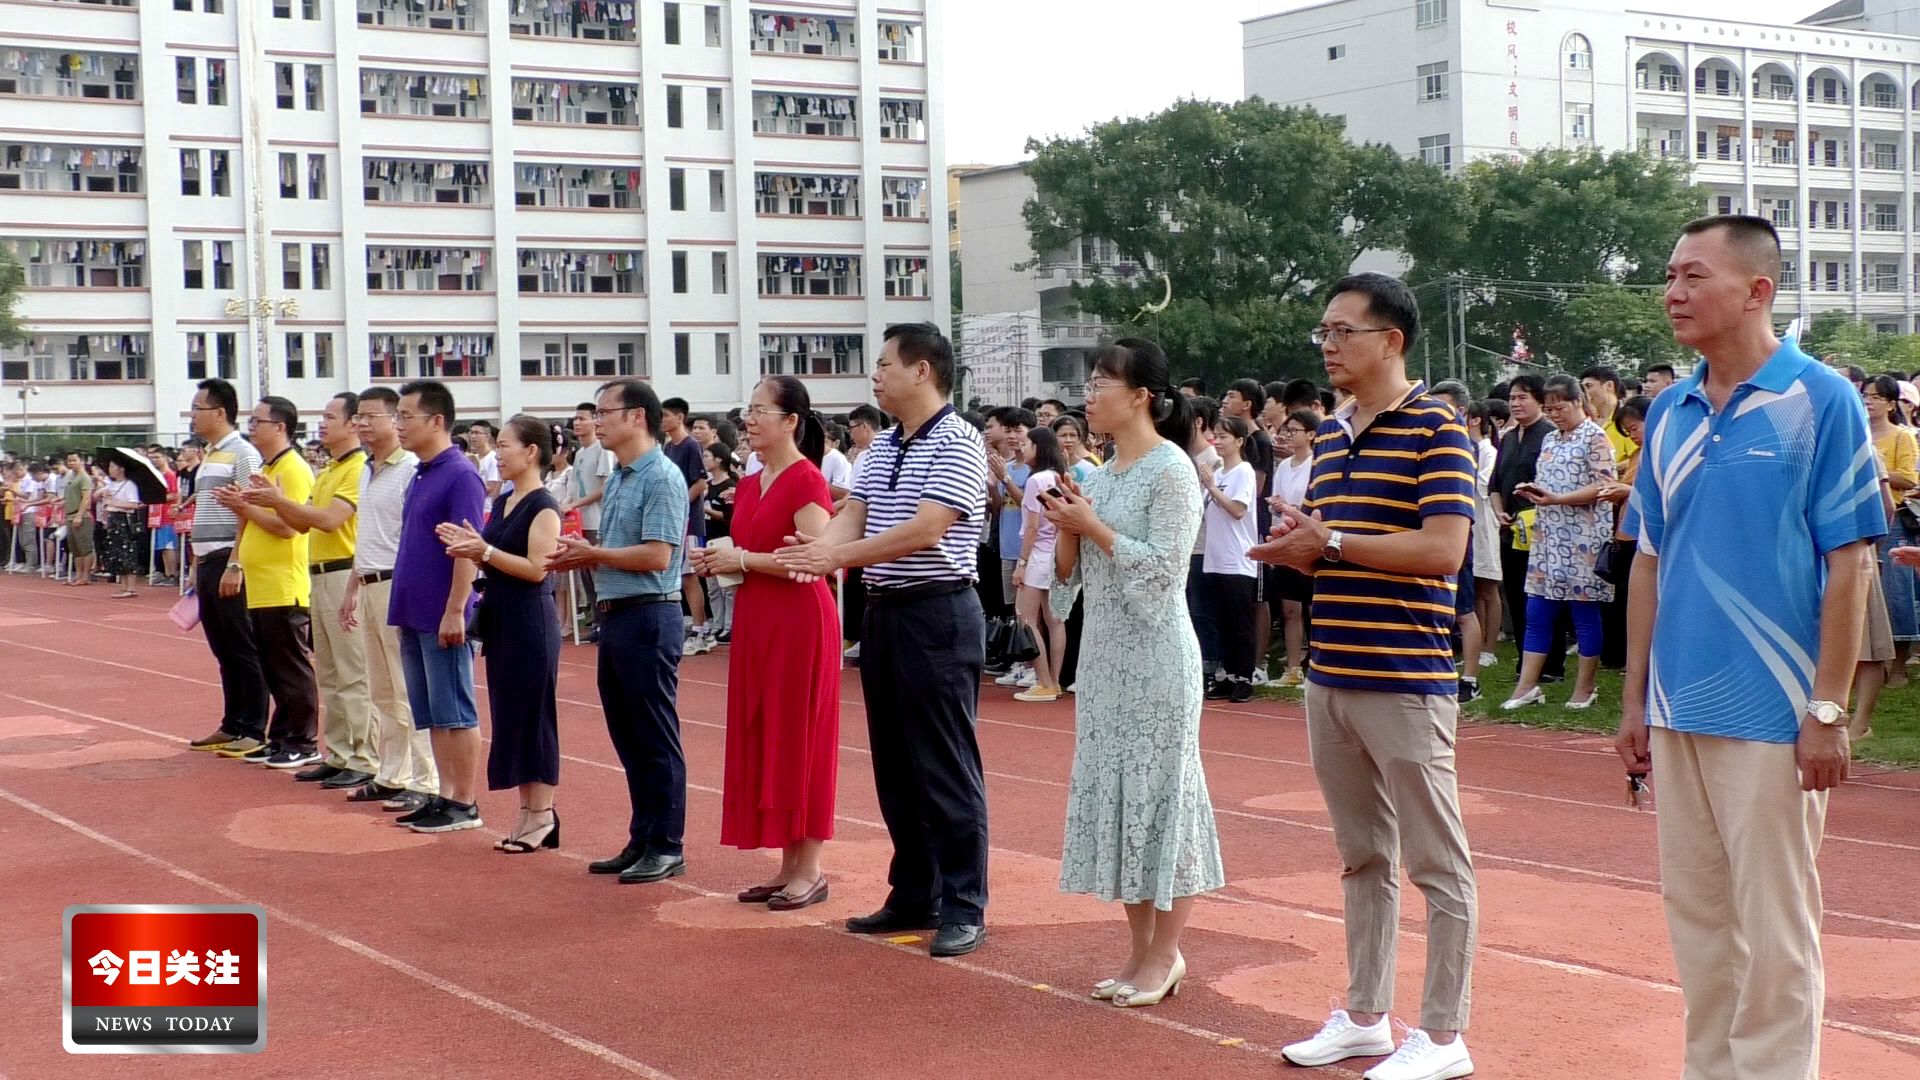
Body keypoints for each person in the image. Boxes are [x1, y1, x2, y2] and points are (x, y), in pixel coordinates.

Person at [1618, 214, 1878, 1080]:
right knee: (1699, 922)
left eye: (1694, 276)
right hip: (1677, 706)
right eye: (1670, 275)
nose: (1673, 292)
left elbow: (1851, 565)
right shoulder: (1669, 411)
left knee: (1773, 929)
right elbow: (1650, 561)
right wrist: (1634, 700)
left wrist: (1827, 708)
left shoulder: (1822, 400)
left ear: (1757, 290)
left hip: (1775, 709)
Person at [1253, 273, 1478, 1080]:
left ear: (1392, 340)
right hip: (1332, 672)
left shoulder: (1437, 430)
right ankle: (1364, 1016)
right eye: (1323, 331)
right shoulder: (1333, 436)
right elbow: (1334, 548)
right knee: (1361, 858)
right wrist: (1302, 552)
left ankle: (1445, 1036)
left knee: (1437, 864)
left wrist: (1333, 544)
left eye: (1342, 331)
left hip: (1406, 675)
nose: (1328, 345)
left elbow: (1443, 551)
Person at [773, 322, 992, 959]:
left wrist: (835, 557)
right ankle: (915, 892)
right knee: (896, 764)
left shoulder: (959, 439)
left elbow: (927, 530)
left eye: (885, 364)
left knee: (945, 763)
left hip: (937, 612)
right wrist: (819, 547)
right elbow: (856, 513)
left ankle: (964, 904)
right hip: (886, 612)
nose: (875, 375)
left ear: (922, 371)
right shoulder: (887, 443)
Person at [1040, 337, 1223, 1008]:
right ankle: (1142, 951)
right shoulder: (1098, 475)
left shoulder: (1172, 469)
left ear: (1141, 396)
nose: (1088, 396)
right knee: (1120, 799)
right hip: (1104, 660)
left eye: (1100, 384)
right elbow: (1066, 583)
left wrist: (1093, 526)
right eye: (1088, 385)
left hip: (1158, 659)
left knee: (1161, 797)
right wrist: (1068, 523)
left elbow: (1166, 572)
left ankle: (1166, 953)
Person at [689, 376, 839, 910]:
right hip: (757, 618)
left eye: (760, 411)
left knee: (800, 736)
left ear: (791, 421)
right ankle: (787, 866)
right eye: (748, 411)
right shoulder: (751, 483)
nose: (749, 421)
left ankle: (811, 869)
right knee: (766, 733)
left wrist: (744, 559)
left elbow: (814, 561)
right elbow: (750, 554)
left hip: (799, 622)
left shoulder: (808, 481)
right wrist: (723, 561)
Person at [551, 379, 690, 885]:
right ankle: (643, 836)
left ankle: (667, 844)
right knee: (628, 734)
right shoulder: (620, 478)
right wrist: (583, 556)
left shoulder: (662, 477)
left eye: (604, 412)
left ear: (636, 416)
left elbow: (658, 556)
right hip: (616, 616)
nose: (595, 421)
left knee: (654, 734)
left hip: (649, 615)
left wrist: (593, 554)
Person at [440, 415, 564, 853]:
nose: (498, 453)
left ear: (531, 451)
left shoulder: (544, 505)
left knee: (535, 716)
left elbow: (537, 569)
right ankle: (529, 812)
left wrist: (485, 551)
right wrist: (473, 547)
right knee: (511, 717)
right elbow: (494, 555)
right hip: (502, 618)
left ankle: (542, 813)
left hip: (531, 620)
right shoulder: (507, 499)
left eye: (506, 445)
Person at [242, 392, 375, 790]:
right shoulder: (329, 469)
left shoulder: (357, 468)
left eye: (331, 417)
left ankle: (364, 757)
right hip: (319, 573)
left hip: (342, 571)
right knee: (331, 674)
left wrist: (277, 501)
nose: (322, 423)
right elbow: (302, 523)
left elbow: (331, 520)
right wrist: (275, 502)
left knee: (352, 673)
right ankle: (339, 753)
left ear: (352, 423)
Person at [387, 380, 489, 834]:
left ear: (437, 421)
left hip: (441, 611)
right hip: (412, 609)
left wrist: (455, 609)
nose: (398, 424)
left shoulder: (461, 475)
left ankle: (464, 801)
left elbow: (467, 548)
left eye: (406, 416)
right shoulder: (421, 473)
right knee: (430, 710)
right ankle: (444, 795)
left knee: (455, 709)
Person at [339, 387, 439, 813]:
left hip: (398, 585)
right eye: (357, 417)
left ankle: (425, 778)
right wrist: (352, 588)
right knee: (381, 689)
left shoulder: (410, 470)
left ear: (394, 419)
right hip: (369, 583)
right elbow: (368, 537)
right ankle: (391, 772)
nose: (361, 424)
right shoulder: (367, 469)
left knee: (406, 687)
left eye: (370, 416)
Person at [212, 396, 321, 769]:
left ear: (280, 426)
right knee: (273, 667)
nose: (251, 427)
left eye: (258, 421)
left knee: (290, 666)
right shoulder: (267, 467)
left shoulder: (293, 469)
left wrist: (244, 507)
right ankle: (281, 737)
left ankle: (303, 740)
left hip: (283, 582)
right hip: (262, 584)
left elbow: (289, 527)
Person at [1499, 376, 1615, 712]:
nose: (1554, 415)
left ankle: (1585, 686)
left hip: (1583, 538)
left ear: (1578, 402)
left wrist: (1559, 498)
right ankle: (1526, 685)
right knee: (1537, 609)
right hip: (1548, 537)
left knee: (1583, 612)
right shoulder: (1551, 438)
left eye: (1559, 408)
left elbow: (1604, 485)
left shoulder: (1595, 437)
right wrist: (1535, 492)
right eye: (1549, 410)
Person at [185, 379, 271, 757]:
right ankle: (232, 723)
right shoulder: (210, 455)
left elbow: (248, 510)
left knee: (242, 646)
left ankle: (253, 727)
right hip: (207, 559)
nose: (192, 416)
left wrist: (236, 561)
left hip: (228, 558)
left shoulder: (243, 454)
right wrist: (196, 561)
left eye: (197, 409)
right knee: (222, 647)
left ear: (220, 413)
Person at [1491, 374, 1564, 684]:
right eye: (1512, 398)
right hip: (1510, 532)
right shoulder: (1508, 438)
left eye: (1523, 397)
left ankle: (1552, 665)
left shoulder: (1550, 436)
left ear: (1539, 402)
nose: (1516, 404)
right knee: (1516, 595)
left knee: (1543, 599)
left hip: (1541, 531)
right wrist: (1498, 510)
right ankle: (1525, 660)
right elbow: (1495, 483)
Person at [1200, 414, 1259, 703]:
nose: (1218, 442)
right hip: (1214, 557)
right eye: (1216, 436)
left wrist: (1211, 487)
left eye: (1224, 437)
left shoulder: (1243, 471)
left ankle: (1245, 677)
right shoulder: (1219, 473)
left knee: (1240, 623)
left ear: (1239, 441)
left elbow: (1237, 510)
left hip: (1237, 559)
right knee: (1220, 621)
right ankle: (1229, 675)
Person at [1221, 380, 1275, 684]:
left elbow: (1256, 489)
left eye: (1231, 396)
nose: (1224, 401)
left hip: (1254, 529)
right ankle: (1236, 664)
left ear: (1247, 404)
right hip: (1231, 533)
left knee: (1258, 596)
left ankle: (1258, 663)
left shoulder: (1260, 441)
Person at [1011, 425, 1069, 702]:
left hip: (1037, 554)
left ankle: (1044, 681)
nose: (1022, 448)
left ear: (1038, 447)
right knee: (1054, 620)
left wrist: (1021, 563)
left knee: (1026, 618)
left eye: (1027, 444)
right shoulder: (1058, 476)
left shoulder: (1036, 480)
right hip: (1056, 553)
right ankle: (1054, 681)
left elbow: (1032, 527)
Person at [1267, 409, 1320, 688]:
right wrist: (1278, 508)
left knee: (1313, 607)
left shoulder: (1316, 464)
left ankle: (1317, 665)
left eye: (1294, 430)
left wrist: (1290, 508)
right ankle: (1292, 667)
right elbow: (1276, 502)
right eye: (1286, 430)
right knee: (1289, 609)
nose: (1288, 435)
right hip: (1286, 538)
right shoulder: (1284, 466)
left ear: (1311, 434)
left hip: (1309, 541)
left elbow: (1315, 506)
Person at [661, 397, 713, 655]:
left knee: (689, 575)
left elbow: (701, 483)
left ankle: (701, 631)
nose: (662, 421)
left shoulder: (691, 446)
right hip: (675, 521)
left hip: (690, 521)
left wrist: (680, 505)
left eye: (666, 415)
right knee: (680, 576)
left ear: (679, 417)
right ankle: (694, 625)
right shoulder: (668, 446)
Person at [566, 403, 614, 643]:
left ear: (594, 421)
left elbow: (605, 488)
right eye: (575, 419)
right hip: (579, 522)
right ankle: (596, 622)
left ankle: (607, 622)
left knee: (599, 574)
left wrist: (576, 503)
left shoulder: (602, 450)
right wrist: (567, 504)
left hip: (597, 520)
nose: (577, 423)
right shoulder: (580, 454)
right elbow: (574, 487)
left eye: (582, 418)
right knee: (586, 576)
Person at [701, 442, 740, 643]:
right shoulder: (708, 485)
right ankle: (717, 624)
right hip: (708, 538)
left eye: (707, 456)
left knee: (727, 587)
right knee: (713, 588)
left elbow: (729, 517)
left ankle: (729, 625)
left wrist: (707, 510)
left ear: (718, 459)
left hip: (724, 539)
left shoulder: (729, 485)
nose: (704, 460)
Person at [96, 458, 142, 598]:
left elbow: (134, 504)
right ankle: (123, 586)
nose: (110, 470)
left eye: (112, 467)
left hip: (124, 520)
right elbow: (95, 495)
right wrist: (103, 495)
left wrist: (114, 502)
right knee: (116, 553)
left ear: (121, 469)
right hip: (113, 520)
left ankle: (131, 587)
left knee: (127, 552)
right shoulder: (111, 485)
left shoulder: (129, 485)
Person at [61, 451, 95, 587]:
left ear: (82, 461)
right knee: (75, 549)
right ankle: (78, 575)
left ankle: (86, 575)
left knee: (85, 547)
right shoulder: (70, 476)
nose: (71, 463)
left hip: (81, 515)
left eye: (74, 460)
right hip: (69, 515)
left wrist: (79, 515)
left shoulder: (84, 477)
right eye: (69, 460)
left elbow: (86, 498)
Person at [469, 420, 501, 500]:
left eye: (477, 433)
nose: (473, 436)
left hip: (487, 505)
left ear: (487, 436)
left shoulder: (493, 458)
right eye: (471, 433)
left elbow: (492, 488)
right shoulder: (473, 458)